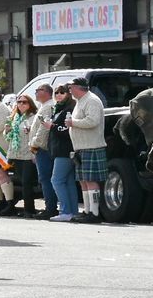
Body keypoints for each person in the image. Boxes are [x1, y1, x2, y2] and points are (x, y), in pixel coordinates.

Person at [67, 77, 107, 224]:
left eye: (71, 87)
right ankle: (87, 211)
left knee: (91, 180)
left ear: (78, 87)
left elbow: (93, 121)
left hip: (92, 146)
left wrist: (73, 123)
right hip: (81, 147)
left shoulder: (92, 100)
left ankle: (95, 213)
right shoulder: (80, 101)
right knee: (83, 181)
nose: (69, 90)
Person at [3, 94, 40, 217]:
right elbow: (8, 137)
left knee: (27, 182)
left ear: (30, 104)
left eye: (24, 102)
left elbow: (36, 133)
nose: (21, 104)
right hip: (16, 154)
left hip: (29, 154)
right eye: (19, 102)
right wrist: (7, 130)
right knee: (22, 182)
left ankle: (29, 210)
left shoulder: (33, 117)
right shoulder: (14, 117)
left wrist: (30, 131)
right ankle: (26, 209)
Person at [47, 88, 81, 221]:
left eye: (62, 92)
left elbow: (66, 131)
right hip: (59, 150)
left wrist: (51, 127)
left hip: (65, 150)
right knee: (68, 181)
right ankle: (72, 212)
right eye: (56, 93)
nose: (58, 95)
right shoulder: (58, 109)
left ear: (68, 94)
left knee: (56, 180)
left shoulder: (69, 109)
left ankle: (65, 210)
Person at [30, 84, 59, 219]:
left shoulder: (48, 107)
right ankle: (50, 206)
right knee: (45, 179)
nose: (35, 92)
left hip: (44, 149)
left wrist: (35, 144)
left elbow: (44, 129)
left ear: (47, 92)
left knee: (46, 178)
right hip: (41, 148)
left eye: (39, 90)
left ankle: (51, 208)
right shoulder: (43, 106)